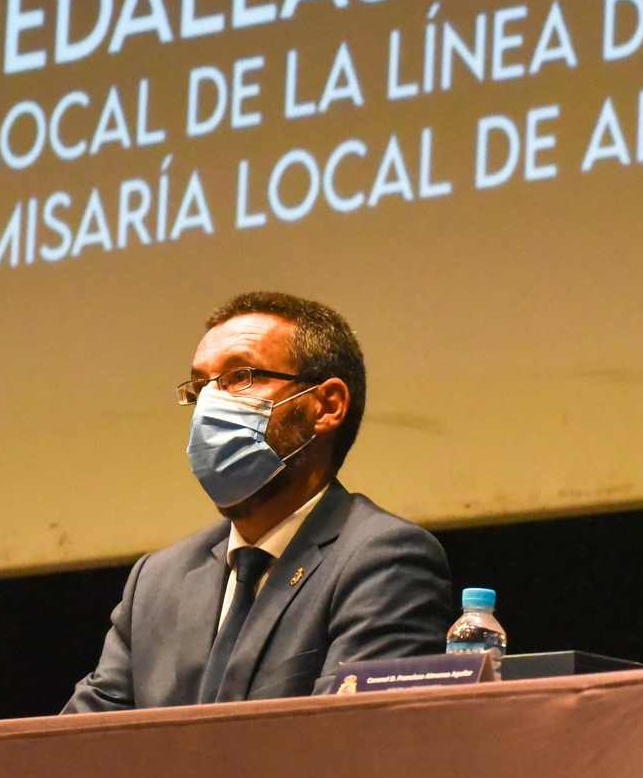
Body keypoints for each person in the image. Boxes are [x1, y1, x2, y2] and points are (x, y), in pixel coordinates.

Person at [64, 292, 452, 712]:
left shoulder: (384, 560)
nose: (209, 404)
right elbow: (78, 750)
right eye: (200, 387)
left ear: (327, 405)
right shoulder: (156, 582)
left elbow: (346, 745)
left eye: (241, 377)